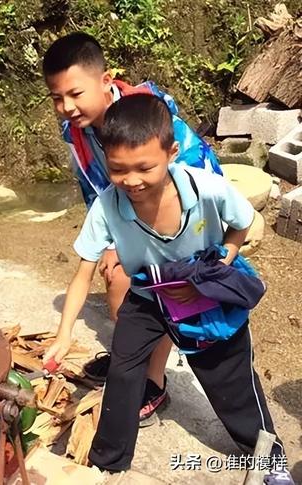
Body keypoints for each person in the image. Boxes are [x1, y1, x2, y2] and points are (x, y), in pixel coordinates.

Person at [42, 94, 292, 483]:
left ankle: (270, 458)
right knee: (124, 368)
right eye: (118, 169)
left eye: (144, 167)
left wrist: (214, 271)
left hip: (202, 288)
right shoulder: (108, 205)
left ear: (172, 152)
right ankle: (108, 461)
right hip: (148, 293)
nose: (131, 181)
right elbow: (83, 273)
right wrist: (63, 334)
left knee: (227, 376)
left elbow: (240, 225)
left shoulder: (208, 188)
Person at [42, 32, 223, 420]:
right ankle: (131, 357)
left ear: (106, 81)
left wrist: (136, 242)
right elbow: (94, 189)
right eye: (57, 98)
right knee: (115, 270)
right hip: (133, 211)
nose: (67, 106)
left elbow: (190, 182)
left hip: (188, 218)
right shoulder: (75, 133)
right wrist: (111, 239)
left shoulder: (151, 113)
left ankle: (152, 379)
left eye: (75, 93)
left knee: (135, 277)